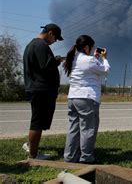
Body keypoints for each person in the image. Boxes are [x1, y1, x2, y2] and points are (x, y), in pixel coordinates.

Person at [63, 35, 110, 163]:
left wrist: (95, 57)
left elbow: (89, 67)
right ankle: (86, 157)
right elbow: (105, 70)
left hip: (73, 97)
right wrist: (104, 58)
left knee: (74, 128)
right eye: (92, 47)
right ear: (87, 47)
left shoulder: (73, 58)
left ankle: (70, 156)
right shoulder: (89, 61)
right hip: (87, 98)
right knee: (88, 129)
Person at [22, 23, 64, 159]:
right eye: (56, 38)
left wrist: (54, 60)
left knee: (37, 121)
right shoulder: (41, 46)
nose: (55, 41)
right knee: (37, 123)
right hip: (41, 90)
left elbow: (42, 65)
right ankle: (33, 155)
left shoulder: (31, 45)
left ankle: (30, 145)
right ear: (50, 33)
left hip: (36, 88)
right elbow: (46, 66)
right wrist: (56, 61)